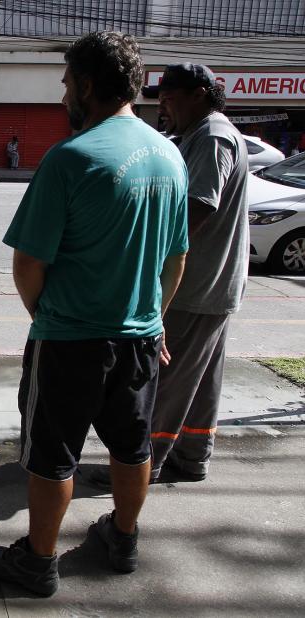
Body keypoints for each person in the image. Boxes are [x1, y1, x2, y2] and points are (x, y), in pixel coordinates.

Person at [0, 32, 188, 597]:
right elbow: (176, 257)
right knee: (132, 446)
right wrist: (155, 319)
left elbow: (28, 264)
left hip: (71, 339)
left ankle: (38, 561)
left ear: (89, 85)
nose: (63, 92)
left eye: (67, 82)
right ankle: (122, 538)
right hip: (140, 339)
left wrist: (45, 316)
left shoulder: (71, 158)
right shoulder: (170, 155)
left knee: (53, 456)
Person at [136, 64, 248, 482]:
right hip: (214, 285)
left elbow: (200, 204)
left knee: (167, 378)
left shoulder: (212, 135)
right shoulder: (200, 134)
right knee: (200, 381)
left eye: (170, 96)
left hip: (195, 284)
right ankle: (193, 456)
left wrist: (155, 260)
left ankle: (143, 463)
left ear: (200, 93)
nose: (163, 105)